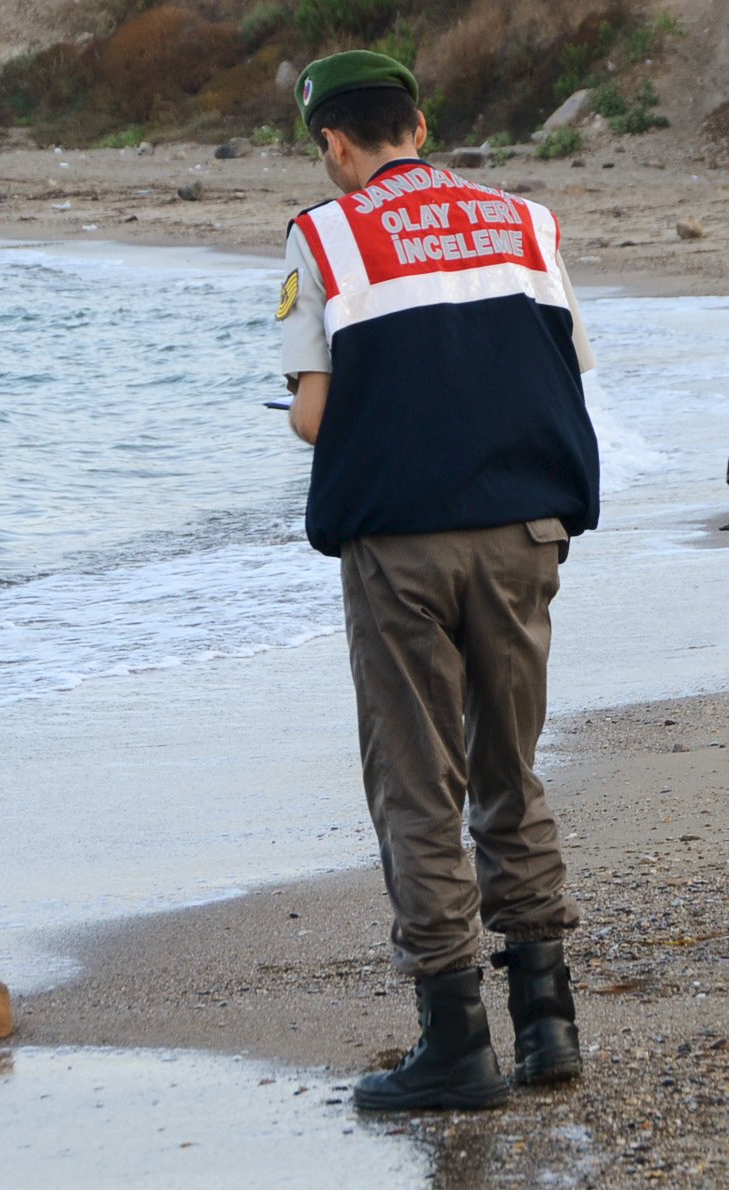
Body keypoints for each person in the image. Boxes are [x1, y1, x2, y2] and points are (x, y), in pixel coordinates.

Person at [278, 50, 601, 1111]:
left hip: (404, 544)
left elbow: (318, 417)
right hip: (523, 530)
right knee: (511, 764)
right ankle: (548, 1023)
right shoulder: (529, 221)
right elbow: (566, 366)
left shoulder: (324, 233)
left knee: (419, 783)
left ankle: (455, 1042)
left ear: (333, 142)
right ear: (419, 122)